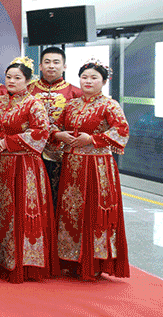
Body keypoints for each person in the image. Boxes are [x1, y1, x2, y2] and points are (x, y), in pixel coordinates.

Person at [51, 60, 130, 280]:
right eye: (84, 77)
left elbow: (122, 131)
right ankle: (70, 258)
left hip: (97, 167)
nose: (88, 81)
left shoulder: (109, 105)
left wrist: (93, 139)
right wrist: (58, 135)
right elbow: (55, 125)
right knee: (71, 211)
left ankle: (94, 261)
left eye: (94, 77)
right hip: (71, 166)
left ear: (104, 81)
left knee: (95, 211)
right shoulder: (72, 105)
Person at [0, 56, 58, 283]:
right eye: (9, 77)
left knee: (21, 213)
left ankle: (23, 263)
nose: (12, 81)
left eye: (17, 78)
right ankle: (0, 259)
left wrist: (7, 141)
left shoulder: (33, 103)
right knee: (0, 212)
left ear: (28, 81)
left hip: (24, 166)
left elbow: (40, 132)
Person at [29, 46, 82, 209]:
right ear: (40, 66)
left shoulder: (76, 93)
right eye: (47, 62)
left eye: (56, 62)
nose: (51, 66)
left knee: (59, 196)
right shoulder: (28, 89)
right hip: (31, 152)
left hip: (61, 154)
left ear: (64, 66)